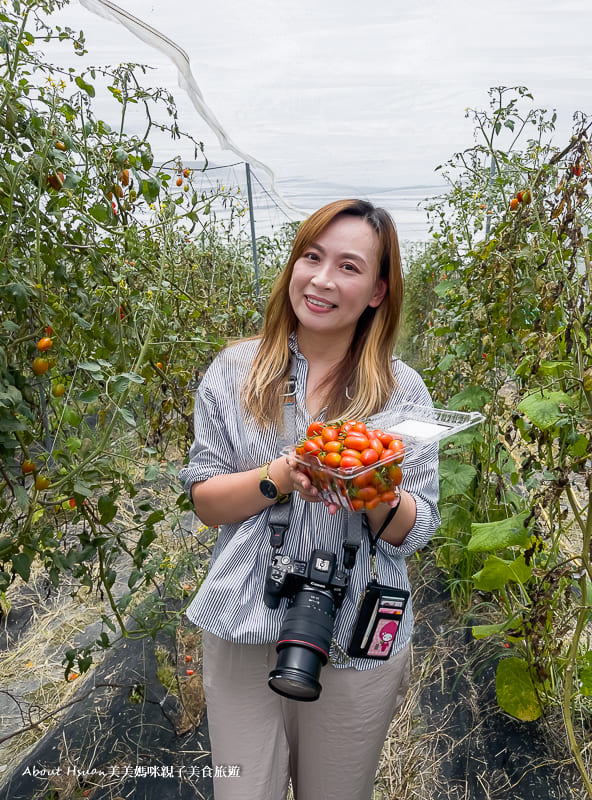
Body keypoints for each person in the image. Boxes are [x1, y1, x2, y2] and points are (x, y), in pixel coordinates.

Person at [178, 198, 440, 800]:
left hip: (353, 626)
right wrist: (280, 475)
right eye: (312, 257)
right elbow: (205, 500)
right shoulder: (235, 371)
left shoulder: (402, 393)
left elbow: (415, 527)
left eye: (348, 267)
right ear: (293, 264)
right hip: (246, 618)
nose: (322, 280)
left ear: (377, 290)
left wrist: (369, 484)